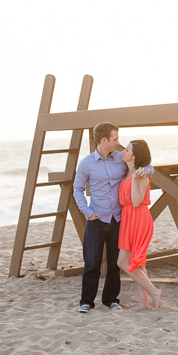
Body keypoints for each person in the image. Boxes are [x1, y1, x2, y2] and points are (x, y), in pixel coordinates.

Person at [72, 122, 152, 313]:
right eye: (115, 139)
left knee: (114, 264)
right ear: (104, 140)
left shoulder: (120, 157)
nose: (118, 143)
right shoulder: (86, 164)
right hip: (97, 218)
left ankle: (111, 300)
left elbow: (144, 164)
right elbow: (77, 189)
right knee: (91, 263)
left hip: (118, 219)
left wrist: (148, 170)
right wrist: (87, 211)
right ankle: (86, 302)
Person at [117, 139, 163, 310]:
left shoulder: (141, 175)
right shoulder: (126, 174)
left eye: (127, 150)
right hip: (128, 218)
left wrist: (135, 180)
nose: (123, 152)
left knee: (123, 262)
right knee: (138, 263)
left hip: (138, 217)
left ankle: (154, 292)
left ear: (134, 156)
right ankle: (143, 303)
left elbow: (136, 202)